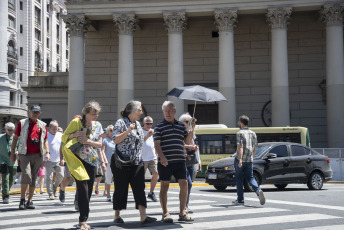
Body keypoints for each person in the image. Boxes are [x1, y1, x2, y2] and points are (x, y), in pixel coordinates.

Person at [62, 101, 106, 230]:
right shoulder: (76, 122)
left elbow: (99, 144)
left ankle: (82, 210)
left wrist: (88, 141)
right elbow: (64, 137)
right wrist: (74, 135)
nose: (95, 116)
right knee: (83, 188)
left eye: (97, 114)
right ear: (86, 113)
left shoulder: (98, 125)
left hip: (91, 161)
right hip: (77, 160)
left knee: (88, 191)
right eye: (93, 114)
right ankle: (82, 221)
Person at [111, 101, 157, 225]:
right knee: (121, 188)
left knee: (139, 188)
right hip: (122, 162)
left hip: (136, 162)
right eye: (140, 110)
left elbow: (139, 142)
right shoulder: (121, 122)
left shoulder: (137, 124)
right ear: (132, 111)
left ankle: (143, 216)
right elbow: (115, 139)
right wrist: (127, 131)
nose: (141, 112)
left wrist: (147, 136)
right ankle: (117, 215)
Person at [154, 101, 195, 223]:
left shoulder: (181, 126)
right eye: (165, 111)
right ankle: (165, 213)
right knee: (164, 186)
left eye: (170, 110)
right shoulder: (159, 126)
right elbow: (157, 144)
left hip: (180, 161)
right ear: (163, 112)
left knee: (185, 184)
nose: (168, 113)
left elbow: (187, 141)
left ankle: (182, 213)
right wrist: (162, 157)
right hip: (165, 162)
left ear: (174, 112)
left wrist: (192, 129)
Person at [10, 105, 50, 210]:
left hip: (37, 154)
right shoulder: (22, 123)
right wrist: (13, 153)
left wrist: (47, 153)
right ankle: (22, 199)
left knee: (33, 178)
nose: (35, 114)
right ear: (29, 112)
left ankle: (30, 201)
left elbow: (45, 140)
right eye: (33, 112)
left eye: (37, 112)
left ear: (39, 113)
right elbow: (15, 138)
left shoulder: (42, 125)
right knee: (26, 175)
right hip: (24, 154)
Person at [233, 115, 265, 206]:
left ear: (241, 123)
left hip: (241, 160)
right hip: (249, 160)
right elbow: (255, 147)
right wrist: (252, 157)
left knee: (239, 178)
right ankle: (258, 190)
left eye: (239, 121)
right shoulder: (253, 133)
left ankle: (240, 200)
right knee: (250, 178)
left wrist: (240, 160)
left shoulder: (240, 133)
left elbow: (240, 147)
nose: (238, 123)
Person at [179, 113, 201, 214]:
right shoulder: (179, 131)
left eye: (190, 122)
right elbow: (182, 144)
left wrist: (194, 147)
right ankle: (184, 207)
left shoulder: (191, 132)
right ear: (182, 122)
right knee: (188, 183)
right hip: (182, 159)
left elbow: (192, 143)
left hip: (191, 159)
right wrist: (190, 147)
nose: (189, 123)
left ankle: (185, 206)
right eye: (187, 122)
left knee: (189, 184)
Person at [45, 120, 64, 200]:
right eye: (54, 129)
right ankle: (50, 193)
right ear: (50, 128)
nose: (55, 130)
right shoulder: (46, 135)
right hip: (48, 160)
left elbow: (63, 147)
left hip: (58, 159)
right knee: (49, 177)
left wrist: (62, 159)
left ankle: (54, 187)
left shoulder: (60, 135)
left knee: (61, 175)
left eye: (56, 129)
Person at [142, 116, 158, 202]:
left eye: (151, 123)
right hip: (142, 158)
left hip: (152, 157)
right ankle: (140, 193)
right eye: (147, 123)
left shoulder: (154, 132)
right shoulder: (140, 131)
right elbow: (139, 143)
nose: (149, 125)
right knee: (140, 177)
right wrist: (147, 136)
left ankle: (151, 193)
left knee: (155, 174)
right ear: (143, 123)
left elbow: (156, 143)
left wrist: (156, 154)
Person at [0, 122, 18, 204]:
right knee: (5, 178)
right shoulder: (1, 137)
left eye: (12, 130)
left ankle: (5, 190)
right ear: (5, 129)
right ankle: (5, 196)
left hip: (13, 161)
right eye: (9, 130)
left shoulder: (16, 138)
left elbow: (20, 148)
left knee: (11, 180)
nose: (11, 131)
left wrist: (17, 152)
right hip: (2, 160)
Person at [101, 125, 115, 202]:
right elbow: (102, 151)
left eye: (114, 130)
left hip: (117, 162)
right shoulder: (105, 140)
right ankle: (108, 194)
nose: (113, 132)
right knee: (108, 179)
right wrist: (105, 160)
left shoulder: (117, 140)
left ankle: (115, 194)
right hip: (108, 162)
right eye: (111, 130)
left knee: (117, 179)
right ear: (108, 132)